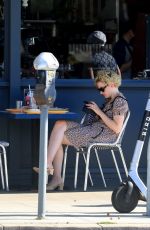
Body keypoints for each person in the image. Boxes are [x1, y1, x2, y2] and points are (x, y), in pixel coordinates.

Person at [33, 70, 129, 191]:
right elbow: (105, 120)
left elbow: (117, 128)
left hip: (104, 135)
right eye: (99, 90)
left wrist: (98, 111)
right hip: (94, 130)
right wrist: (95, 111)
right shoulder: (110, 100)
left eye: (102, 89)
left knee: (56, 137)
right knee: (59, 124)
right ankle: (49, 166)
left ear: (112, 84)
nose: (100, 93)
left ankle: (53, 173)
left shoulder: (120, 101)